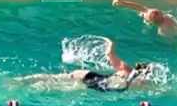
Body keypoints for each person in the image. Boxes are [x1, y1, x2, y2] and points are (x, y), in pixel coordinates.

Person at [16, 40, 156, 93]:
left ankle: (23, 80)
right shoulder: (140, 84)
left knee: (54, 78)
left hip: (90, 76)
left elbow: (109, 53)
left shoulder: (125, 70)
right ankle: (27, 85)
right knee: (55, 85)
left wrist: (110, 43)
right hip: (95, 82)